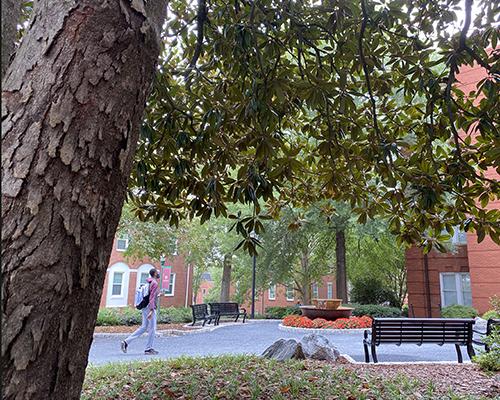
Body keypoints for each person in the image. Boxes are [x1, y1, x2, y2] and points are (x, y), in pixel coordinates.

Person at [121, 268, 160, 355]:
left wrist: (158, 295)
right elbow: (151, 297)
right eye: (157, 273)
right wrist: (151, 310)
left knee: (144, 327)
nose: (159, 274)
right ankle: (148, 349)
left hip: (144, 306)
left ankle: (126, 342)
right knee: (152, 328)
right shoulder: (154, 283)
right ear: (154, 274)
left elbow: (149, 295)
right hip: (149, 308)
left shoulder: (148, 282)